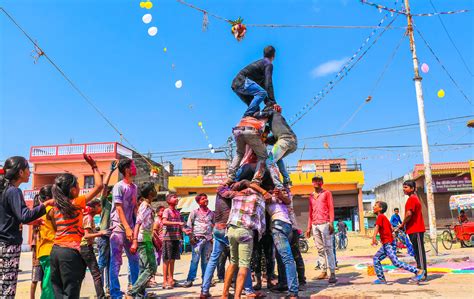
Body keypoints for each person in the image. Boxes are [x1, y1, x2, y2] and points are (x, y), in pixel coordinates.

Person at [50, 154, 104, 298]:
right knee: (71, 293)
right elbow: (99, 186)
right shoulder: (76, 202)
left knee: (59, 293)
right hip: (70, 253)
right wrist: (94, 166)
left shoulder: (56, 206)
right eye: (78, 185)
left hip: (55, 251)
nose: (80, 188)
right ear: (73, 190)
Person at [0, 156, 54, 297]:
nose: (30, 173)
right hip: (9, 245)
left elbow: (10, 218)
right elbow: (24, 215)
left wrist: (30, 221)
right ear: (20, 172)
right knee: (7, 288)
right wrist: (45, 205)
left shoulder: (5, 191)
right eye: (27, 169)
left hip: (3, 244)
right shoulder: (14, 191)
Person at [221, 181, 267, 299]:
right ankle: (237, 296)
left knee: (232, 262)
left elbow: (222, 189)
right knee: (244, 265)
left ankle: (224, 295)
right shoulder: (258, 198)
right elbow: (261, 221)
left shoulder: (236, 196)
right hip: (245, 231)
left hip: (231, 230)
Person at [371, 201, 425, 284]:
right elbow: (391, 228)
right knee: (376, 258)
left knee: (396, 262)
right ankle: (381, 279)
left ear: (380, 208)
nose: (373, 207)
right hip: (386, 244)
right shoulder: (384, 218)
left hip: (388, 244)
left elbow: (377, 227)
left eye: (375, 205)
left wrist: (374, 237)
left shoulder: (380, 217)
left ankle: (418, 271)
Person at [109, 158, 140, 298]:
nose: (134, 168)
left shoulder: (134, 187)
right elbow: (119, 208)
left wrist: (137, 226)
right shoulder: (118, 186)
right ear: (126, 169)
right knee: (116, 261)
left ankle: (136, 290)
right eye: (132, 166)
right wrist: (127, 228)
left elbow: (134, 208)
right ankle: (115, 293)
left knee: (134, 258)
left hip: (130, 228)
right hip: (118, 228)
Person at [128, 182, 158, 297]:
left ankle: (139, 296)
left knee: (143, 269)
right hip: (143, 240)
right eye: (154, 188)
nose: (155, 190)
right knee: (151, 268)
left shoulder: (147, 205)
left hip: (147, 239)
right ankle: (131, 292)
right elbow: (138, 224)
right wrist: (135, 241)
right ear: (150, 192)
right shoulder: (145, 205)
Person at [305, 175, 337, 284]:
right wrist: (308, 227)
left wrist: (331, 223)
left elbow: (331, 208)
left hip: (325, 223)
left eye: (319, 180)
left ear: (322, 182)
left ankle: (332, 272)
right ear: (312, 183)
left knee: (328, 248)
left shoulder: (327, 193)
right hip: (315, 225)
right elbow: (310, 213)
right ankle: (323, 271)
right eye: (314, 180)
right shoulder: (311, 196)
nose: (316, 182)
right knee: (319, 249)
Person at [258, 105, 297, 188]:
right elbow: (273, 139)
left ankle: (279, 186)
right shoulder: (277, 121)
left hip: (285, 140)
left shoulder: (273, 113)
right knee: (278, 159)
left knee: (269, 161)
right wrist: (265, 140)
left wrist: (252, 114)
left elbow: (260, 114)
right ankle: (287, 181)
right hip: (293, 142)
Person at [232, 45, 277, 117]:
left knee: (256, 111)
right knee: (261, 93)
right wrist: (272, 102)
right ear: (274, 55)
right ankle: (246, 116)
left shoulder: (261, 66)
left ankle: (249, 120)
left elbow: (264, 85)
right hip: (242, 81)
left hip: (237, 85)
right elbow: (268, 82)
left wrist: (267, 102)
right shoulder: (268, 63)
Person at [183, 194, 215, 288]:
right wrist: (190, 238)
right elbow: (188, 226)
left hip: (208, 240)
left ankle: (206, 280)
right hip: (197, 240)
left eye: (206, 198)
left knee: (206, 261)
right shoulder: (194, 212)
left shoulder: (211, 213)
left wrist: (213, 238)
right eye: (203, 199)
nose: (206, 199)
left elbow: (215, 226)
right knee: (195, 260)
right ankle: (190, 280)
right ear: (198, 202)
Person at [227, 115, 268, 186]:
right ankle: (256, 180)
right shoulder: (263, 121)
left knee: (239, 153)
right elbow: (259, 136)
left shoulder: (248, 118)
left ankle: (230, 177)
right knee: (263, 156)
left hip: (237, 130)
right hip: (251, 130)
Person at [399, 180, 427, 281]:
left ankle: (422, 274)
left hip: (417, 229)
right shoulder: (411, 199)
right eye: (403, 187)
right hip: (412, 230)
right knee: (416, 252)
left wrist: (402, 224)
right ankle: (420, 272)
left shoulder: (412, 199)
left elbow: (409, 214)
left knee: (419, 252)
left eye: (406, 187)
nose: (404, 189)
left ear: (413, 188)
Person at [97, 161, 117, 296]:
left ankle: (108, 289)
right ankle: (99, 290)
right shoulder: (105, 203)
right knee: (102, 263)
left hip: (113, 237)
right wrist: (111, 172)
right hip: (104, 236)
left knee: (111, 265)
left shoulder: (117, 205)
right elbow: (103, 187)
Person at [80, 200, 108, 298]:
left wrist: (97, 230)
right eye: (98, 206)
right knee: (96, 275)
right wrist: (101, 233)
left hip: (82, 248)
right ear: (93, 207)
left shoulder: (86, 217)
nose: (100, 208)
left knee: (79, 275)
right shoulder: (88, 217)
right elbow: (87, 235)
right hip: (86, 248)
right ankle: (101, 296)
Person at [34, 185, 55, 299]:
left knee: (47, 282)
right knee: (49, 285)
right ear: (49, 197)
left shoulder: (38, 210)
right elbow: (57, 228)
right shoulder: (50, 210)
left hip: (42, 251)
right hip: (50, 249)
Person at [162, 193, 186, 289]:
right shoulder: (166, 211)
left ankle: (171, 280)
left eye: (177, 197)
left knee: (172, 260)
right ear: (168, 200)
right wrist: (177, 223)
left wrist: (184, 231)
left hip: (176, 238)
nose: (177, 199)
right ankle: (164, 282)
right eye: (174, 197)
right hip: (168, 238)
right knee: (166, 260)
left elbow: (180, 225)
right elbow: (164, 222)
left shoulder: (177, 212)